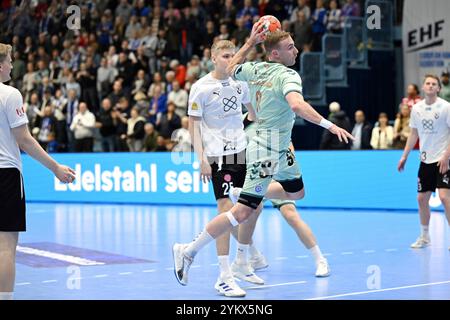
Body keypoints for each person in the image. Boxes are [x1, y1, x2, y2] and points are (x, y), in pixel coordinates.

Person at [172, 24, 353, 289]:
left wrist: (250, 43)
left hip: (273, 149)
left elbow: (235, 71)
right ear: (275, 54)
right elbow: (296, 105)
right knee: (240, 212)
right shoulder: (286, 76)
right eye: (290, 46)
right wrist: (330, 125)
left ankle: (246, 238)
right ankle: (192, 251)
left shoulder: (252, 70)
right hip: (255, 152)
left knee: (296, 193)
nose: (297, 50)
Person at [187, 39, 264, 297]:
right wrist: (201, 159)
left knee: (254, 207)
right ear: (213, 58)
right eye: (225, 56)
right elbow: (193, 126)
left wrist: (258, 105)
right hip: (218, 158)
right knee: (227, 211)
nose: (229, 59)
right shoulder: (200, 88)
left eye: (233, 55)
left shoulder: (240, 83)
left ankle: (242, 260)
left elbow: (252, 115)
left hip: (241, 154)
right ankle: (223, 275)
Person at [0, 43, 76, 300]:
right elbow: (24, 140)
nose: (12, 64)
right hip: (5, 174)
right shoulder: (10, 94)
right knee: (5, 248)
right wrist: (55, 167)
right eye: (10, 60)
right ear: (0, 65)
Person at [231, 113, 330, 277]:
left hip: (275, 172)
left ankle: (320, 260)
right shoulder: (241, 121)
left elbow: (287, 142)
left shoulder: (273, 115)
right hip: (253, 174)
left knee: (291, 215)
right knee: (239, 217)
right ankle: (254, 256)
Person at [398, 75, 450, 250]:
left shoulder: (445, 107)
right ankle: (425, 236)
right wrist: (404, 156)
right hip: (425, 160)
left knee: (444, 197)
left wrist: (446, 156)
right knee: (421, 199)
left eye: (434, 84)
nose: (430, 86)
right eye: (427, 83)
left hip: (444, 160)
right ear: (423, 87)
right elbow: (414, 134)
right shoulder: (417, 109)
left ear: (438, 89)